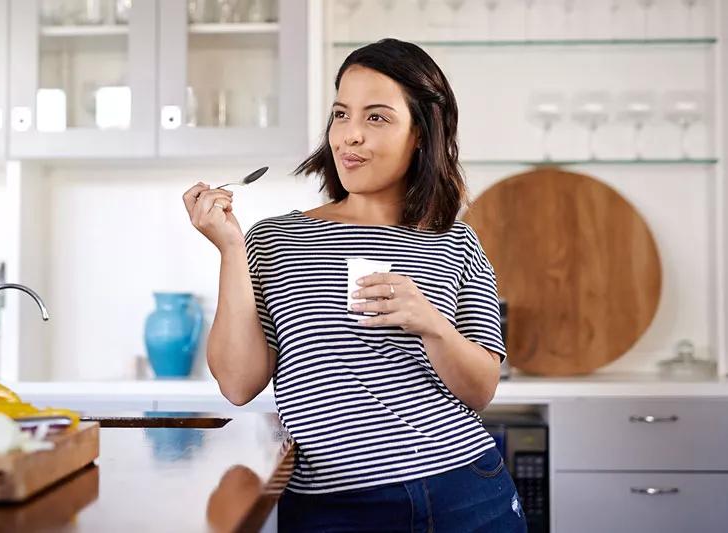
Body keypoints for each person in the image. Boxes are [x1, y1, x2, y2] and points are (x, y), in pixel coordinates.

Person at [183, 38, 526, 533]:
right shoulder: (276, 238)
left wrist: (432, 326)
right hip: (331, 509)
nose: (350, 136)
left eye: (377, 117)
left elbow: (481, 389)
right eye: (341, 114)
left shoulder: (456, 240)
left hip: (462, 493)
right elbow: (238, 384)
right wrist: (231, 251)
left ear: (421, 135)